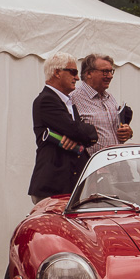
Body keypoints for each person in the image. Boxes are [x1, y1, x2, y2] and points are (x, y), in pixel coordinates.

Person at [29, 52, 98, 203]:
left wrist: (81, 135)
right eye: (73, 72)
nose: (77, 78)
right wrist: (85, 133)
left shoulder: (67, 102)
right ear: (57, 73)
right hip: (53, 186)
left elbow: (79, 132)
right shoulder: (46, 100)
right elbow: (78, 131)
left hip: (68, 185)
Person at [70, 53, 133, 155]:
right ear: (89, 73)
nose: (110, 76)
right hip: (93, 166)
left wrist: (127, 133)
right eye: (105, 72)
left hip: (117, 163)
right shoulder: (73, 99)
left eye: (111, 71)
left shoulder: (110, 98)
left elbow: (114, 131)